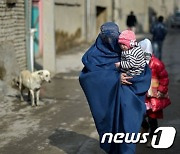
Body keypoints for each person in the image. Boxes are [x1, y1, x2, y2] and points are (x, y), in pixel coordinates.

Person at [79, 22, 151, 154]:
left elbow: (143, 70)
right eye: (106, 37)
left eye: (113, 37)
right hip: (108, 102)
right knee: (112, 133)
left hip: (128, 100)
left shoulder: (124, 47)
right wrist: (115, 78)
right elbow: (87, 78)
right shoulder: (94, 55)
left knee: (127, 133)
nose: (110, 41)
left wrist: (134, 79)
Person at [139, 39, 171, 147]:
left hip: (153, 96)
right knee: (139, 115)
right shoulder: (137, 63)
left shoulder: (157, 63)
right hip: (142, 96)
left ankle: (152, 137)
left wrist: (162, 90)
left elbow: (164, 78)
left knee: (153, 118)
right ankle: (144, 126)